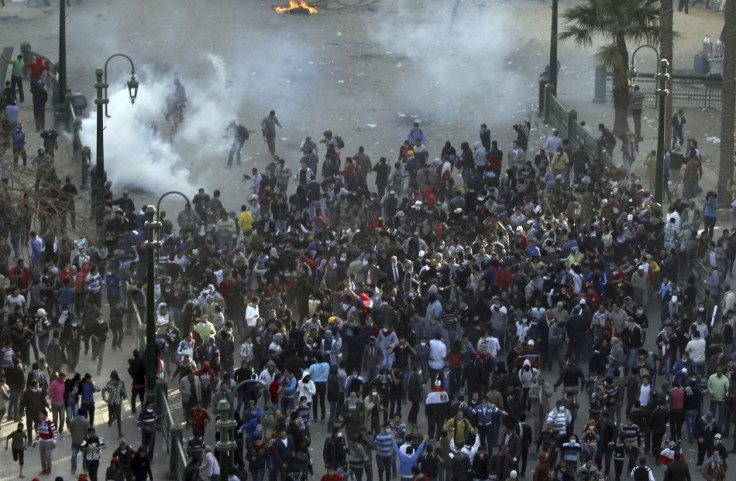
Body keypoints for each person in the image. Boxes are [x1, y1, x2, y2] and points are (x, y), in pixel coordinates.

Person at [102, 370, 127, 438]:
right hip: (113, 401)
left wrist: (124, 395)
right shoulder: (111, 383)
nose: (112, 380)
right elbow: (105, 390)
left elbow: (123, 390)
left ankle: (119, 432)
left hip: (117, 401)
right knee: (111, 412)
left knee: (118, 416)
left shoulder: (119, 383)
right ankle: (111, 419)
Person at [32, 409, 57, 475]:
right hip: (42, 442)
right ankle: (44, 469)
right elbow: (38, 432)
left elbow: (54, 433)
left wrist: (54, 442)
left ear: (45, 415)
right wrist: (36, 441)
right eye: (39, 415)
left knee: (48, 456)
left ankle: (49, 468)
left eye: (41, 415)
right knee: (42, 456)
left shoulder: (50, 423)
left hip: (49, 442)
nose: (40, 416)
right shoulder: (40, 422)